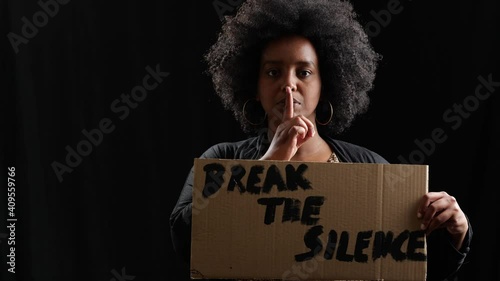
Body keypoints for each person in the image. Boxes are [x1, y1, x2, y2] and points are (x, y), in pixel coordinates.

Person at [170, 0, 472, 280]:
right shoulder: (220, 159)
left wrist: (456, 230)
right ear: (254, 83)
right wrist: (269, 166)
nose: (288, 84)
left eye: (304, 72)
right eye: (273, 72)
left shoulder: (367, 167)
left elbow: (409, 267)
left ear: (325, 82)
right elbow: (187, 239)